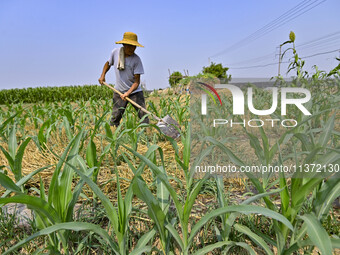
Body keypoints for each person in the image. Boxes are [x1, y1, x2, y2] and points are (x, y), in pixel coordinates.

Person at [98, 32, 149, 127]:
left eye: (134, 46)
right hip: (119, 91)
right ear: (124, 45)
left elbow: (136, 82)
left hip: (134, 92)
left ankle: (147, 133)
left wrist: (128, 93)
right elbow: (108, 63)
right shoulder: (115, 53)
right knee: (116, 116)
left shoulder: (136, 60)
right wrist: (103, 75)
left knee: (143, 114)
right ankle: (113, 134)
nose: (132, 49)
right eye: (130, 46)